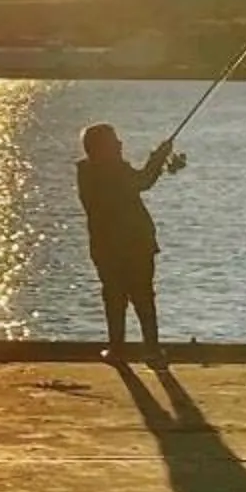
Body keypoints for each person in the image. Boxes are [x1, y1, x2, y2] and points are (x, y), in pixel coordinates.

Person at [74, 123, 176, 362]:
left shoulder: (87, 173)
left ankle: (117, 350)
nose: (120, 144)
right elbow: (143, 181)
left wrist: (158, 159)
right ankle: (150, 351)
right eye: (114, 141)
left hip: (105, 246)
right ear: (100, 148)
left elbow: (140, 181)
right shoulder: (113, 171)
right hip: (134, 244)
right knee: (142, 296)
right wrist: (158, 157)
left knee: (115, 296)